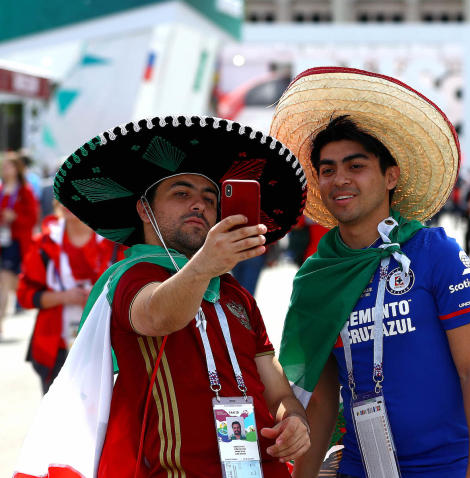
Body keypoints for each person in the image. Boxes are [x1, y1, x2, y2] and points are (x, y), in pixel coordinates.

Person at [16, 115, 311, 477]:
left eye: (209, 197)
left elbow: (275, 386)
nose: (200, 205)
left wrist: (294, 419)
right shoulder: (129, 277)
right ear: (144, 209)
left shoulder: (235, 292)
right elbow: (159, 315)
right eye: (181, 193)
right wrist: (204, 265)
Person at [270, 68, 470, 478]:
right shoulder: (317, 279)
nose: (340, 179)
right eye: (327, 169)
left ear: (390, 176)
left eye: (356, 166)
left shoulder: (435, 254)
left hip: (443, 469)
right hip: (358, 467)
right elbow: (320, 403)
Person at [17, 203, 111, 392]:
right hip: (55, 347)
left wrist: (98, 298)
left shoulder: (113, 242)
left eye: (76, 196)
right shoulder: (45, 242)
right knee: (56, 416)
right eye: (62, 196)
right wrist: (62, 297)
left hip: (104, 346)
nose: (68, 202)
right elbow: (25, 296)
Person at [0, 151, 39, 337]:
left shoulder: (25, 190)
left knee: (5, 279)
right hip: (3, 241)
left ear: (17, 169)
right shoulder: (1, 189)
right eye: (4, 165)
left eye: (9, 165)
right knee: (5, 281)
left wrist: (16, 217)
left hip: (17, 242)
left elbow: (32, 218)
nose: (5, 169)